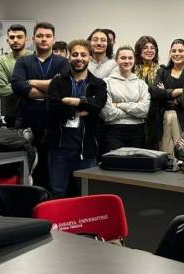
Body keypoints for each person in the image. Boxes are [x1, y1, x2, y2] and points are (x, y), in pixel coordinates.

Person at [12, 22, 70, 187]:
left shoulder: (63, 62)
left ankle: (47, 198)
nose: (44, 39)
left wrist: (31, 82)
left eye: (48, 36)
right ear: (33, 39)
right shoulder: (23, 61)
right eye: (40, 36)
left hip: (53, 123)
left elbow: (64, 88)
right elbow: (17, 85)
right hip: (27, 121)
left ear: (53, 39)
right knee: (25, 166)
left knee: (50, 167)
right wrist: (51, 91)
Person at [46, 39, 107, 197]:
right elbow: (53, 107)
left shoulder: (98, 84)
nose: (79, 58)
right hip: (59, 147)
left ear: (90, 57)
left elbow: (98, 105)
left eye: (83, 55)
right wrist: (81, 109)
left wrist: (74, 101)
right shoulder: (57, 81)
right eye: (75, 54)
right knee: (57, 191)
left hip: (86, 149)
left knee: (84, 193)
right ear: (68, 57)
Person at [99, 46, 150, 153]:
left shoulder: (141, 84)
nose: (127, 61)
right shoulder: (106, 83)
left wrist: (119, 105)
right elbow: (108, 114)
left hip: (138, 132)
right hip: (113, 131)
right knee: (116, 162)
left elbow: (145, 110)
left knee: (135, 163)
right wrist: (135, 110)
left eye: (130, 58)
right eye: (123, 58)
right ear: (116, 60)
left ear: (134, 60)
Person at [153, 39, 184, 152]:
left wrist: (167, 93)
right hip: (162, 117)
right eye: (174, 51)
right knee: (164, 152)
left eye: (180, 51)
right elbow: (156, 93)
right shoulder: (162, 71)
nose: (177, 54)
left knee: (181, 151)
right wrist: (183, 90)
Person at [0, 24, 31, 127]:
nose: (15, 40)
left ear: (26, 39)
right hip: (12, 114)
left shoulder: (35, 57)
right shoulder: (2, 61)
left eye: (19, 37)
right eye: (12, 37)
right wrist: (30, 83)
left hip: (34, 111)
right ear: (8, 40)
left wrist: (15, 85)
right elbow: (2, 89)